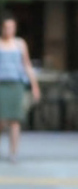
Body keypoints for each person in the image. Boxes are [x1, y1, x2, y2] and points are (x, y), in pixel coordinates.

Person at [0, 13, 41, 162]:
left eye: (12, 27)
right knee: (1, 120)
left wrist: (34, 86)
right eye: (7, 27)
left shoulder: (20, 44)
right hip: (1, 84)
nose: (9, 30)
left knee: (15, 120)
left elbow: (27, 65)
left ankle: (13, 152)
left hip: (16, 84)